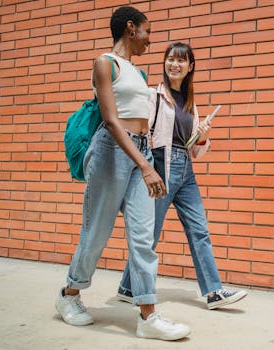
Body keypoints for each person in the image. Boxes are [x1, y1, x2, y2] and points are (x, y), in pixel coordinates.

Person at [55, 6, 190, 341]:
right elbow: (112, 121)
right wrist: (146, 167)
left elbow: (146, 117)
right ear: (130, 28)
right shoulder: (106, 63)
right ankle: (69, 295)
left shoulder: (138, 73)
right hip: (111, 151)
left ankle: (148, 315)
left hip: (140, 150)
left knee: (143, 239)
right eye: (147, 32)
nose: (149, 39)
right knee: (97, 231)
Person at [117, 42, 247, 310]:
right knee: (149, 234)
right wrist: (146, 168)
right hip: (161, 166)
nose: (174, 65)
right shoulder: (153, 96)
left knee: (199, 229)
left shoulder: (189, 103)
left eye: (181, 61)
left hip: (186, 170)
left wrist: (203, 137)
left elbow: (194, 151)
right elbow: (144, 134)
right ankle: (129, 288)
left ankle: (213, 292)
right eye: (170, 60)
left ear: (190, 67)